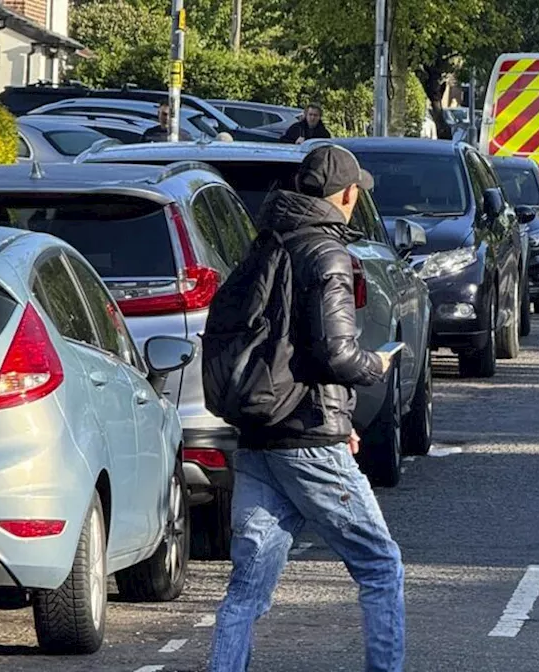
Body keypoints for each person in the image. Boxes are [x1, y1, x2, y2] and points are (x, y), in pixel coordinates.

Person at [208, 145, 403, 671]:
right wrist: (374, 369)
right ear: (345, 195)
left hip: (258, 434)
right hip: (308, 441)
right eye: (356, 190)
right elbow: (335, 353)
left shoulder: (266, 244)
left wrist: (340, 418)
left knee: (246, 590)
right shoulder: (328, 255)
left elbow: (284, 348)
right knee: (381, 565)